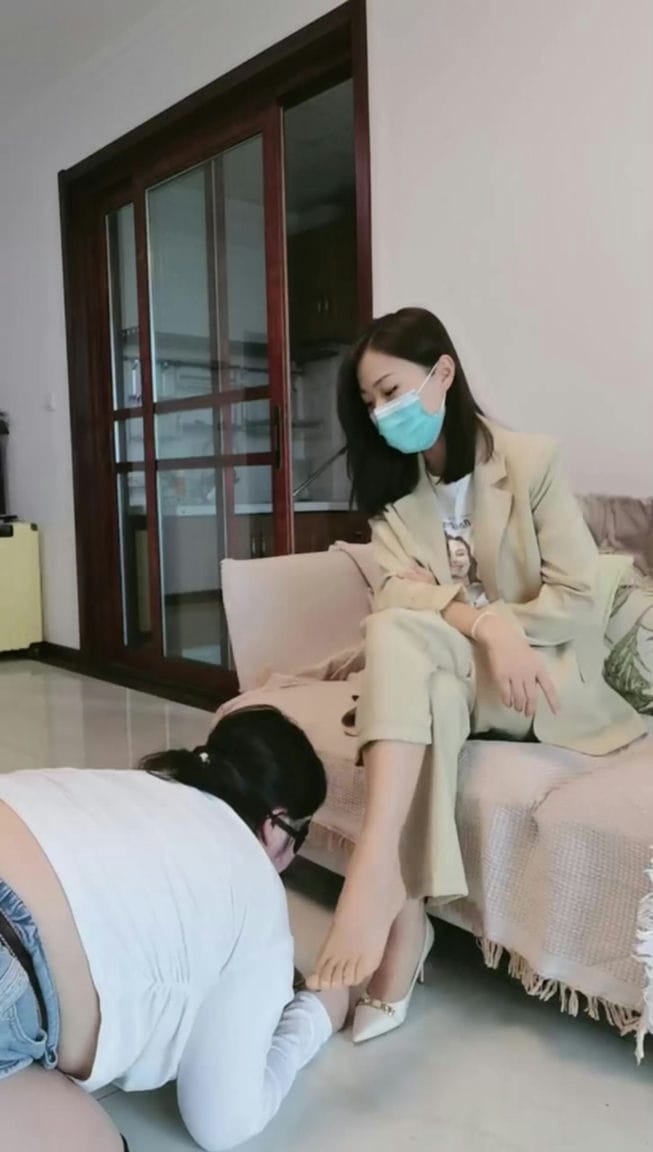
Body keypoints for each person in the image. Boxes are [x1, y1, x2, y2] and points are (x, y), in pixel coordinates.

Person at [307, 307, 650, 1044]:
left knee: (403, 643)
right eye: (368, 402)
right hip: (455, 673)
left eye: (390, 391)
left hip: (540, 682)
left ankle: (380, 889)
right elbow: (393, 595)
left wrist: (500, 630)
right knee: (413, 659)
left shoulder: (529, 462)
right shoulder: (396, 490)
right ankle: (401, 915)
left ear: (443, 374)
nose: (381, 413)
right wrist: (485, 625)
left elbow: (575, 597)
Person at [0, 705, 348, 1151]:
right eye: (300, 836)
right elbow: (223, 1122)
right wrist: (317, 1016)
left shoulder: (121, 785)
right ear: (275, 826)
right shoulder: (256, 890)